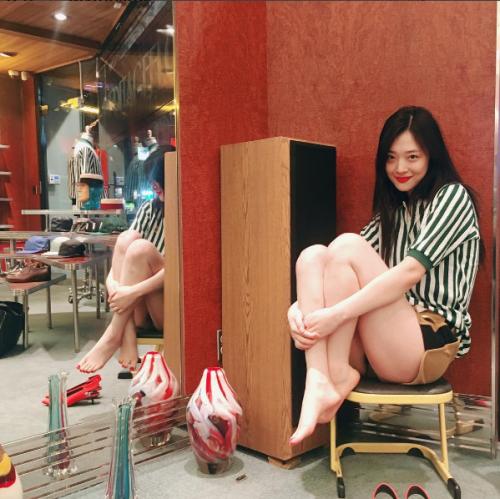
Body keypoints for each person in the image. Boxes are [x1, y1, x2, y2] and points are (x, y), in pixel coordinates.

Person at [287, 106, 481, 446]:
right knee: (313, 256)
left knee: (347, 245)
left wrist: (335, 315)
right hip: (384, 345)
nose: (400, 168)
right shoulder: (394, 211)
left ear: (432, 157)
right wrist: (296, 312)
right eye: (391, 158)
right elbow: (332, 265)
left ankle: (330, 374)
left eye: (412, 157)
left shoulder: (453, 197)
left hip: (427, 342)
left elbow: (409, 272)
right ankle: (321, 376)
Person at [77, 149, 166, 373]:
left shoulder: (188, 210)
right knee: (126, 238)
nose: (154, 185)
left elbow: (178, 271)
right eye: (152, 180)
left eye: (158, 179)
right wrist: (114, 287)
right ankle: (125, 335)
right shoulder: (150, 208)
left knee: (140, 248)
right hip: (137, 309)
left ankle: (112, 336)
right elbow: (119, 258)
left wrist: (132, 292)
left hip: (167, 305)